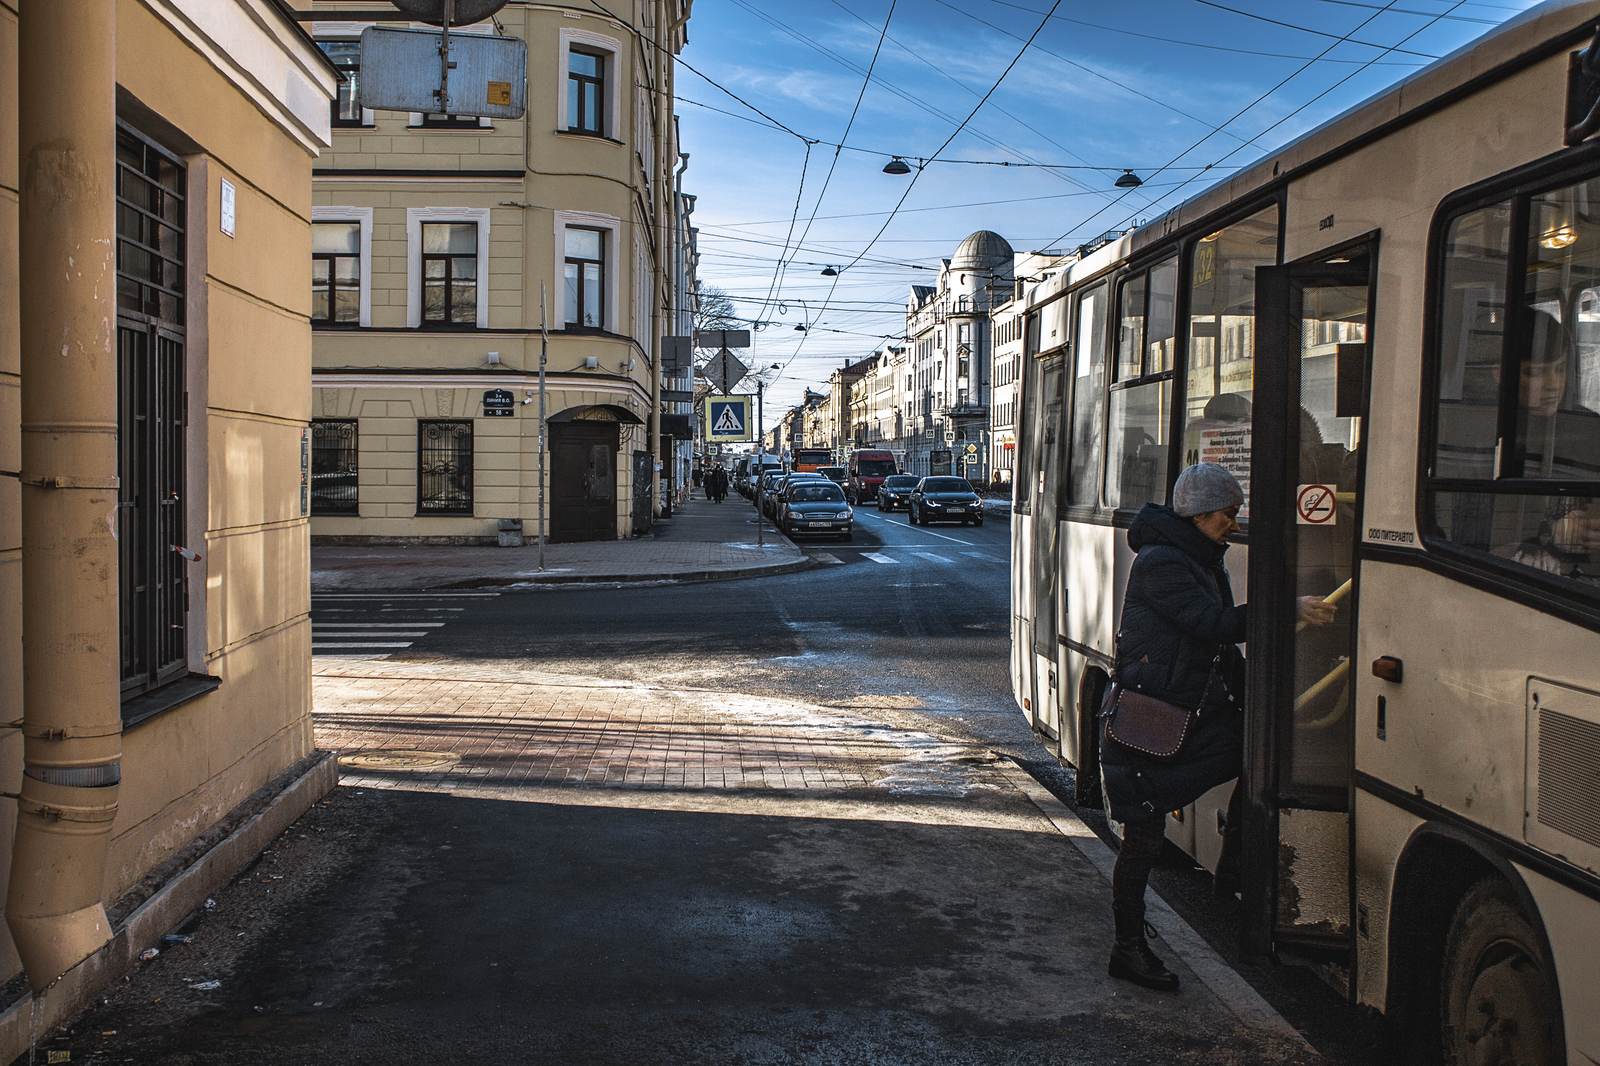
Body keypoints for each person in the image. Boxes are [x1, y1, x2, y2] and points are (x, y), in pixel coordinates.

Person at [1101, 463, 1334, 992]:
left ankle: (1232, 875)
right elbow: (1213, 627)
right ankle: (1128, 948)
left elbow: (1217, 648)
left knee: (1257, 754)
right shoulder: (1163, 562)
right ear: (1201, 514)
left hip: (1180, 718)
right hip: (1148, 726)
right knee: (1142, 841)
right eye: (1228, 514)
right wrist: (1286, 609)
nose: (1235, 522)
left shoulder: (1198, 557)